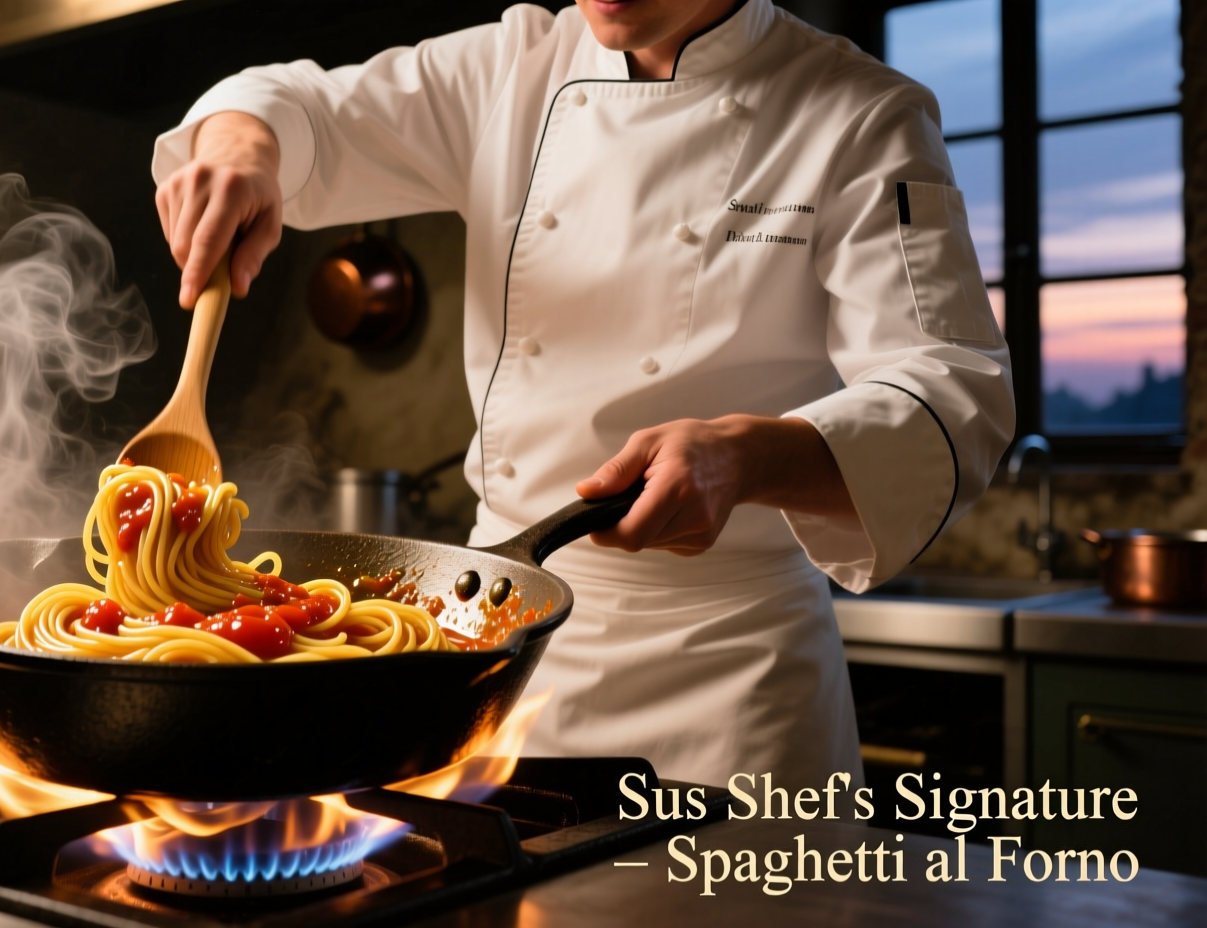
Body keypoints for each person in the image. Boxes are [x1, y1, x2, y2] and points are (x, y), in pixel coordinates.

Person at [152, 0, 1014, 787]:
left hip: (726, 679)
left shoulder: (859, 111)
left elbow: (953, 388)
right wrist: (244, 147)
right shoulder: (510, 68)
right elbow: (293, 104)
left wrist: (747, 458)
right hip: (495, 650)